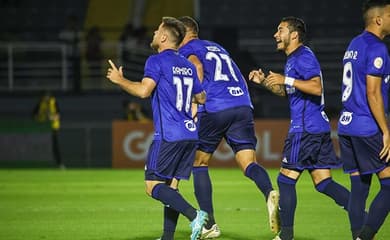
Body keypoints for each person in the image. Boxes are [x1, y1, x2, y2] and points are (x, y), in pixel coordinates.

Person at [249, 17, 350, 240]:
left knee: (285, 180)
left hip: (305, 129)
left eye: (280, 30)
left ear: (294, 35)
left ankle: (286, 236)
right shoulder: (293, 59)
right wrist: (266, 82)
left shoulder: (303, 56)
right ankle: (362, 216)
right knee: (323, 182)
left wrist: (286, 79)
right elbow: (289, 91)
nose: (276, 34)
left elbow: (315, 87)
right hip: (317, 127)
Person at [178, 16, 280, 239]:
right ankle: (269, 192)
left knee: (199, 162)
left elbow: (195, 66)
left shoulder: (188, 48)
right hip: (242, 104)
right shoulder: (217, 47)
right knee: (249, 163)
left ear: (183, 33)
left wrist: (196, 103)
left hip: (215, 106)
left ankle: (210, 225)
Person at [106, 16, 207, 240]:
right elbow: (201, 97)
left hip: (169, 135)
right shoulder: (188, 65)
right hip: (190, 134)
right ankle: (167, 237)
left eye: (156, 31)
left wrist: (120, 80)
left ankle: (195, 215)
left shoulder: (156, 61)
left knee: (152, 186)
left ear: (163, 38)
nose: (153, 33)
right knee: (170, 188)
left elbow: (144, 91)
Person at [338, 1, 390, 239]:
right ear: (378, 20)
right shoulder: (377, 48)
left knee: (359, 186)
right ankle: (364, 236)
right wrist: (386, 130)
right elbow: (372, 92)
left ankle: (356, 235)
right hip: (367, 126)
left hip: (347, 125)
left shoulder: (354, 43)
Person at [33, 91, 64, 169]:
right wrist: (40, 118)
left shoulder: (53, 102)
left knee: (55, 146)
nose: (46, 98)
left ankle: (59, 164)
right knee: (40, 146)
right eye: (44, 97)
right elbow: (34, 115)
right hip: (42, 128)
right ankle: (39, 164)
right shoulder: (41, 103)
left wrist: (52, 118)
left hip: (53, 128)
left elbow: (58, 114)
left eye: (47, 97)